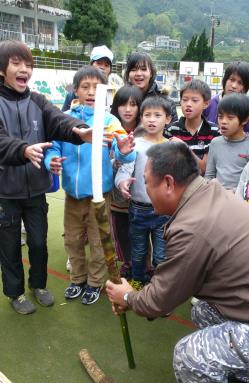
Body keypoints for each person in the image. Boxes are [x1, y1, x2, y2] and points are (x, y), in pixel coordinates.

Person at [106, 140, 249, 383]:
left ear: (168, 183)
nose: (144, 191)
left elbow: (159, 301)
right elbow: (176, 286)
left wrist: (128, 296)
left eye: (146, 183)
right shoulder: (210, 191)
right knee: (204, 311)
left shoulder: (193, 226)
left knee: (190, 353)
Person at [0, 40, 93, 315]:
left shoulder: (37, 100)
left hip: (36, 190)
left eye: (28, 65)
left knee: (39, 242)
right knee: (9, 247)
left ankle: (38, 285)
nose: (24, 70)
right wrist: (23, 149)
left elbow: (58, 119)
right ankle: (15, 293)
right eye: (16, 63)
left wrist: (79, 130)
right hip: (6, 192)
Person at [45, 66, 135, 305]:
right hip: (72, 196)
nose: (91, 91)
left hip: (99, 196)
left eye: (97, 87)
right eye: (85, 86)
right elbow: (53, 145)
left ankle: (95, 283)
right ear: (76, 90)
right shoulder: (65, 118)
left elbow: (120, 147)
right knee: (72, 240)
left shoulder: (108, 119)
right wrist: (49, 159)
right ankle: (78, 279)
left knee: (99, 242)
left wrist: (124, 151)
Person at [115, 96, 171, 289]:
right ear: (141, 118)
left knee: (161, 255)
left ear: (168, 119)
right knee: (138, 252)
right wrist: (122, 183)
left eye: (157, 115)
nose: (152, 119)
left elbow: (181, 180)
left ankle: (159, 289)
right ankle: (138, 281)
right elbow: (125, 169)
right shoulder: (135, 144)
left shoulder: (173, 147)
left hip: (164, 212)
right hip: (138, 209)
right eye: (147, 115)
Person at [110, 85, 144, 279]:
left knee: (140, 234)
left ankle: (142, 266)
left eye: (133, 104)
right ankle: (127, 263)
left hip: (139, 197)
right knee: (121, 232)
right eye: (123, 104)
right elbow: (107, 163)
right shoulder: (111, 131)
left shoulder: (145, 131)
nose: (128, 109)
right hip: (117, 197)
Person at [164, 79, 220, 174]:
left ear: (206, 104)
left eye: (194, 100)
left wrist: (185, 148)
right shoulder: (171, 130)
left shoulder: (214, 131)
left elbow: (204, 169)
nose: (188, 104)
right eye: (185, 100)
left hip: (201, 186)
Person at [205, 93, 249, 191]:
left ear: (244, 120)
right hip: (216, 196)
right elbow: (209, 175)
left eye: (230, 118)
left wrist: (232, 193)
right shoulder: (215, 143)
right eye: (220, 117)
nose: (223, 121)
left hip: (240, 200)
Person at [124, 51, 177, 123]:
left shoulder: (167, 102)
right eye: (133, 70)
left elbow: (173, 131)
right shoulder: (121, 100)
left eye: (143, 69)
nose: (139, 74)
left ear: (151, 73)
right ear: (128, 74)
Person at [203, 61, 249, 132]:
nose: (234, 86)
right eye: (232, 80)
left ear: (246, 87)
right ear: (225, 80)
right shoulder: (209, 104)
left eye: (240, 83)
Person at [62, 45, 114, 112]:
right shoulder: (72, 95)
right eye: (99, 63)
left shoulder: (112, 93)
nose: (102, 67)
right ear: (91, 64)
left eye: (106, 65)